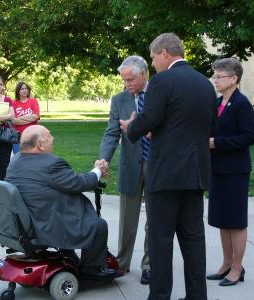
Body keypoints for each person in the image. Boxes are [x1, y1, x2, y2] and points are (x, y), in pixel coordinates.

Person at [120, 33, 216, 300]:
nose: (152, 64)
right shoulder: (205, 84)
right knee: (193, 240)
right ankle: (197, 296)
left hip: (164, 175)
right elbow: (209, 127)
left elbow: (149, 118)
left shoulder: (162, 81)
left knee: (161, 241)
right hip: (195, 174)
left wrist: (131, 127)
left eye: (152, 58)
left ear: (164, 53)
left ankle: (159, 296)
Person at [5, 125, 118, 278]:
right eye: (49, 136)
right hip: (45, 224)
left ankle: (68, 254)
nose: (53, 139)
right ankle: (92, 269)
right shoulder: (50, 163)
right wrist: (97, 170)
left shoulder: (16, 160)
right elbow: (78, 183)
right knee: (98, 225)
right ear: (39, 144)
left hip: (27, 221)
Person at [99, 55, 151, 284]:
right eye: (124, 80)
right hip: (130, 165)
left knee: (156, 219)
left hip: (158, 165)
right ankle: (122, 261)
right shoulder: (119, 100)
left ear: (144, 74)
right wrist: (104, 159)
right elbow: (112, 132)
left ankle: (150, 265)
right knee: (127, 218)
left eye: (130, 79)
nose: (126, 84)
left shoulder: (159, 95)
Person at [207, 58, 254, 286]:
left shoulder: (241, 103)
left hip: (235, 171)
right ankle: (227, 263)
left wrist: (217, 143)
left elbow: (250, 136)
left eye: (219, 76)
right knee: (222, 219)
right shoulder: (218, 102)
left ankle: (238, 268)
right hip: (217, 169)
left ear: (233, 79)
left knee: (236, 221)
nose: (215, 80)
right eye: (215, 76)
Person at [11, 81, 40, 154]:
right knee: (18, 157)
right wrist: (29, 119)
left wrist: (20, 118)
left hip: (32, 135)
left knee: (32, 157)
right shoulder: (13, 103)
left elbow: (35, 116)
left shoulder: (33, 101)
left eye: (26, 88)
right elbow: (13, 121)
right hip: (18, 136)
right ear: (18, 91)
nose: (24, 90)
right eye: (22, 89)